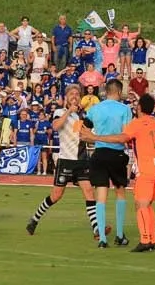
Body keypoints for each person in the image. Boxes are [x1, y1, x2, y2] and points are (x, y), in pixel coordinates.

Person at [82, 94, 155, 253]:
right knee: (148, 205)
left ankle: (145, 240)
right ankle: (152, 239)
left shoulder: (137, 124)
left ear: (139, 107)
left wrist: (95, 137)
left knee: (141, 204)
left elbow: (121, 138)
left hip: (147, 169)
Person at [25, 84, 106, 239]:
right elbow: (56, 126)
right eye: (71, 94)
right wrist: (69, 111)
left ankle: (97, 229)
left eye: (77, 94)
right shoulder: (60, 112)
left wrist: (95, 136)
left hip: (81, 160)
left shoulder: (82, 116)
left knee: (89, 191)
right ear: (66, 97)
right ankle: (34, 219)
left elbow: (85, 135)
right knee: (56, 195)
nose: (74, 96)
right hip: (66, 160)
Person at [86, 78, 132, 248]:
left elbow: (82, 128)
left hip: (99, 153)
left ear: (106, 91)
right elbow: (126, 135)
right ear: (119, 92)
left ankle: (102, 239)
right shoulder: (125, 109)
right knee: (120, 192)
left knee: (101, 195)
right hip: (116, 153)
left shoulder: (95, 108)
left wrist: (91, 137)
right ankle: (119, 235)